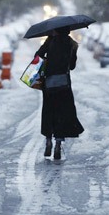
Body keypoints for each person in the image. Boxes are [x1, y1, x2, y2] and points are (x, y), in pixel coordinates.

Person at [35, 26, 84, 159]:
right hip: (64, 84)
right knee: (62, 113)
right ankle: (58, 144)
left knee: (49, 111)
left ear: (55, 30)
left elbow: (37, 56)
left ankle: (48, 140)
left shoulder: (50, 41)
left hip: (49, 84)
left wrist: (48, 58)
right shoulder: (72, 44)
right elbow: (72, 66)